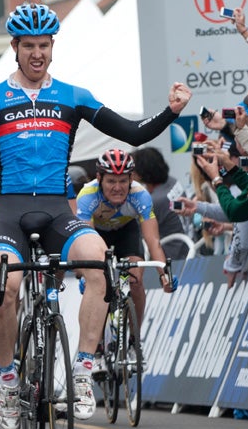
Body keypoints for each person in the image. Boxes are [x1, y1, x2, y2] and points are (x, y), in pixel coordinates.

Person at [0, 2, 191, 429]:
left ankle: (83, 371)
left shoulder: (72, 96)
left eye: (44, 45)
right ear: (14, 47)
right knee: (2, 287)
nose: (37, 54)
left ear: (52, 46)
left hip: (55, 210)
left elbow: (133, 133)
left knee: (100, 262)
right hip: (9, 210)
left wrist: (171, 110)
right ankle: (7, 379)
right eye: (29, 46)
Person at [75, 148, 175, 376]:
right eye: (111, 181)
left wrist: (163, 274)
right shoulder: (87, 196)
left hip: (125, 233)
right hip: (95, 235)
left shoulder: (140, 195)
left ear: (132, 179)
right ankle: (98, 349)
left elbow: (152, 240)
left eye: (123, 181)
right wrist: (85, 273)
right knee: (99, 282)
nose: (118, 187)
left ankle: (134, 342)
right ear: (99, 178)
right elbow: (83, 243)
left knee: (136, 278)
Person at [130, 147, 191, 260]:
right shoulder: (172, 181)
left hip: (170, 257)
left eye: (133, 169)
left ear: (142, 172)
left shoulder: (155, 201)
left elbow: (136, 231)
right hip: (187, 247)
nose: (130, 173)